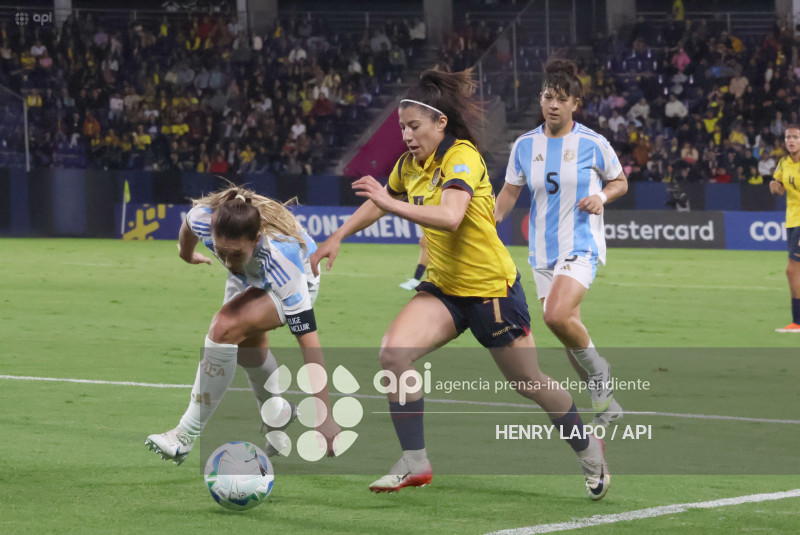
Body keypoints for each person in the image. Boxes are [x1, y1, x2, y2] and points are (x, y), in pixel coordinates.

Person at [310, 67, 610, 500]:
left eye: (414, 126)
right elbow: (380, 204)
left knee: (529, 383)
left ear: (440, 123)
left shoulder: (462, 157)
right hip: (446, 288)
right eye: (402, 128)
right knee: (393, 355)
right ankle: (415, 461)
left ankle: (588, 449)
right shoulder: (410, 165)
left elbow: (450, 217)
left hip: (492, 291)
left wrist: (388, 203)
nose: (407, 136)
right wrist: (337, 235)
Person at [145, 186, 341, 463]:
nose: (226, 261)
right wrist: (186, 254)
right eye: (221, 252)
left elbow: (309, 343)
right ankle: (278, 412)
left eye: (234, 254)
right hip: (250, 273)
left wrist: (324, 416)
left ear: (257, 238)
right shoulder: (205, 219)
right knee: (250, 353)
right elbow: (189, 225)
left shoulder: (283, 261)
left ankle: (184, 436)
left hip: (297, 277)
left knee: (224, 326)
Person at [494, 59, 629, 427]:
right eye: (548, 96)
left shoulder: (592, 143)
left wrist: (601, 196)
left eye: (561, 98)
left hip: (581, 244)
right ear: (541, 100)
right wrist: (489, 221)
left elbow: (620, 182)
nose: (553, 104)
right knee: (564, 326)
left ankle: (600, 371)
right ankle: (606, 403)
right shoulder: (524, 145)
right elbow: (509, 192)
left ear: (575, 104)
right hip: (541, 251)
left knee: (555, 315)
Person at [769, 124, 800, 332]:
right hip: (791, 220)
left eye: (796, 137)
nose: (791, 141)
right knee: (794, 272)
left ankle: (797, 322)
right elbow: (779, 189)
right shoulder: (783, 162)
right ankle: (796, 322)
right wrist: (775, 188)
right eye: (788, 137)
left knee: (792, 270)